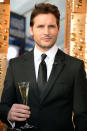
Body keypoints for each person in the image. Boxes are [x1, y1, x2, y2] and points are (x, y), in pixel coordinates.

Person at [0, 2, 87, 131]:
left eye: (51, 26)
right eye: (40, 26)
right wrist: (8, 114)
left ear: (58, 28)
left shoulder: (75, 67)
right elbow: (4, 106)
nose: (46, 32)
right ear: (31, 29)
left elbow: (82, 116)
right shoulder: (15, 65)